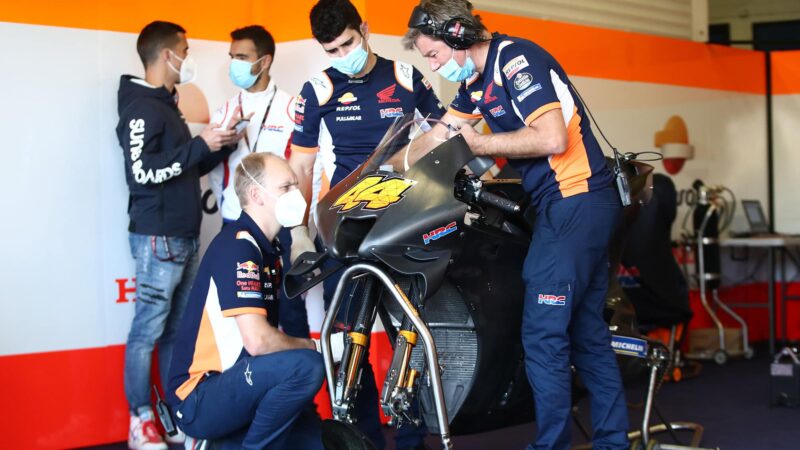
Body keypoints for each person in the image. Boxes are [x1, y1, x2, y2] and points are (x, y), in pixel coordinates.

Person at [404, 1, 630, 449]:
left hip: (576, 199)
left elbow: (552, 137)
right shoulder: (474, 83)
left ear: (458, 36)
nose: (432, 66)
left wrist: (481, 141)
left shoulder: (516, 60)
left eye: (433, 55)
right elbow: (437, 135)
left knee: (543, 335)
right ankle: (612, 443)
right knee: (585, 334)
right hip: (562, 206)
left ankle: (550, 446)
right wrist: (387, 174)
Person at [287, 1, 445, 448]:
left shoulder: (406, 78)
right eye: (333, 50)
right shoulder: (317, 90)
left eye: (349, 44)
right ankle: (362, 441)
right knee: (348, 342)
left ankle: (411, 441)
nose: (343, 56)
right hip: (346, 228)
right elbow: (301, 168)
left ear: (367, 31)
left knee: (406, 338)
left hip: (402, 221)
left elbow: (443, 132)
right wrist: (299, 231)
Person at [116, 20, 243, 450]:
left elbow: (184, 166)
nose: (187, 58)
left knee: (177, 333)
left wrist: (221, 144)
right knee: (147, 332)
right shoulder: (140, 107)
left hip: (184, 235)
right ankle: (140, 421)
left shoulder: (166, 104)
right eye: (184, 50)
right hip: (158, 236)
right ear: (164, 54)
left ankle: (174, 413)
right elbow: (143, 173)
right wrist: (199, 144)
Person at [167, 153, 325, 450]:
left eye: (295, 186)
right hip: (198, 396)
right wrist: (314, 345)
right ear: (256, 194)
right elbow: (259, 343)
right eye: (286, 187)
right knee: (307, 365)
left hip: (239, 383)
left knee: (322, 443)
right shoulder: (239, 246)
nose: (297, 194)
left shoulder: (269, 250)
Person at [208, 25, 310, 339]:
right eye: (232, 56)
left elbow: (305, 167)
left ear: (264, 61)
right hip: (237, 223)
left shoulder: (293, 108)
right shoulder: (225, 111)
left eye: (242, 57)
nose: (234, 64)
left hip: (284, 224)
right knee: (243, 313)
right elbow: (215, 174)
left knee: (291, 308)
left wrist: (299, 223)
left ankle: (298, 378)